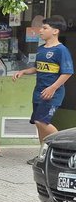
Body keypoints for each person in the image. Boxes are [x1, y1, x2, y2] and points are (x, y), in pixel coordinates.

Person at [12, 16, 72, 152]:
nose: (40, 30)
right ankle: (42, 154)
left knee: (41, 121)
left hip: (53, 93)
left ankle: (65, 148)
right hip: (38, 92)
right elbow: (37, 68)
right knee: (39, 125)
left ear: (55, 31)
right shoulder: (40, 49)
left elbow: (67, 73)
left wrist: (52, 88)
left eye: (45, 28)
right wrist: (24, 71)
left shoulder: (61, 50)